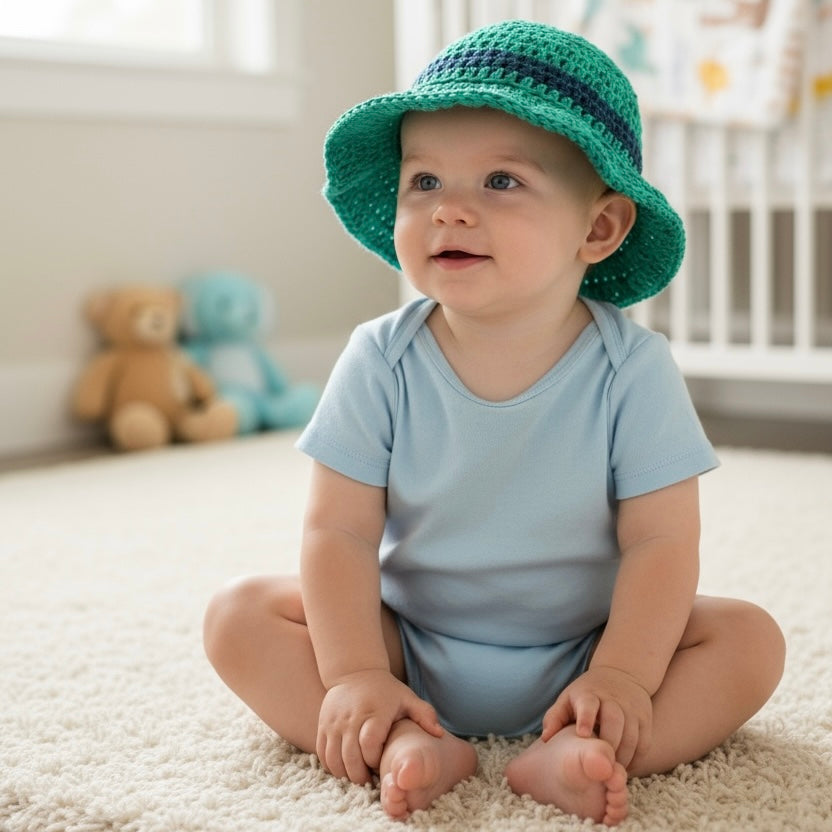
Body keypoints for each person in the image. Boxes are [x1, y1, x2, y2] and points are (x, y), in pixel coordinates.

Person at [203, 20, 785, 826]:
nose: (450, 212)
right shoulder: (381, 358)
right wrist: (355, 674)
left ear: (599, 228)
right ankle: (402, 735)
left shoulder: (633, 370)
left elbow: (661, 543)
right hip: (406, 640)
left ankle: (586, 750)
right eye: (425, 182)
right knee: (239, 615)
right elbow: (336, 534)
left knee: (749, 642)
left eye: (501, 183)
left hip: (588, 648)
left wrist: (620, 676)